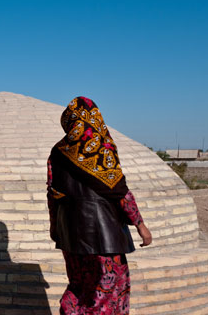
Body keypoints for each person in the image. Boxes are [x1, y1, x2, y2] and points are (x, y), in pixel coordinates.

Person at [47, 96, 152, 315]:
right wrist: (140, 224)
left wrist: (55, 227)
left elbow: (53, 194)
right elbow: (119, 191)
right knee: (107, 291)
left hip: (70, 235)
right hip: (105, 237)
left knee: (78, 287)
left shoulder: (57, 152)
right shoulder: (101, 147)